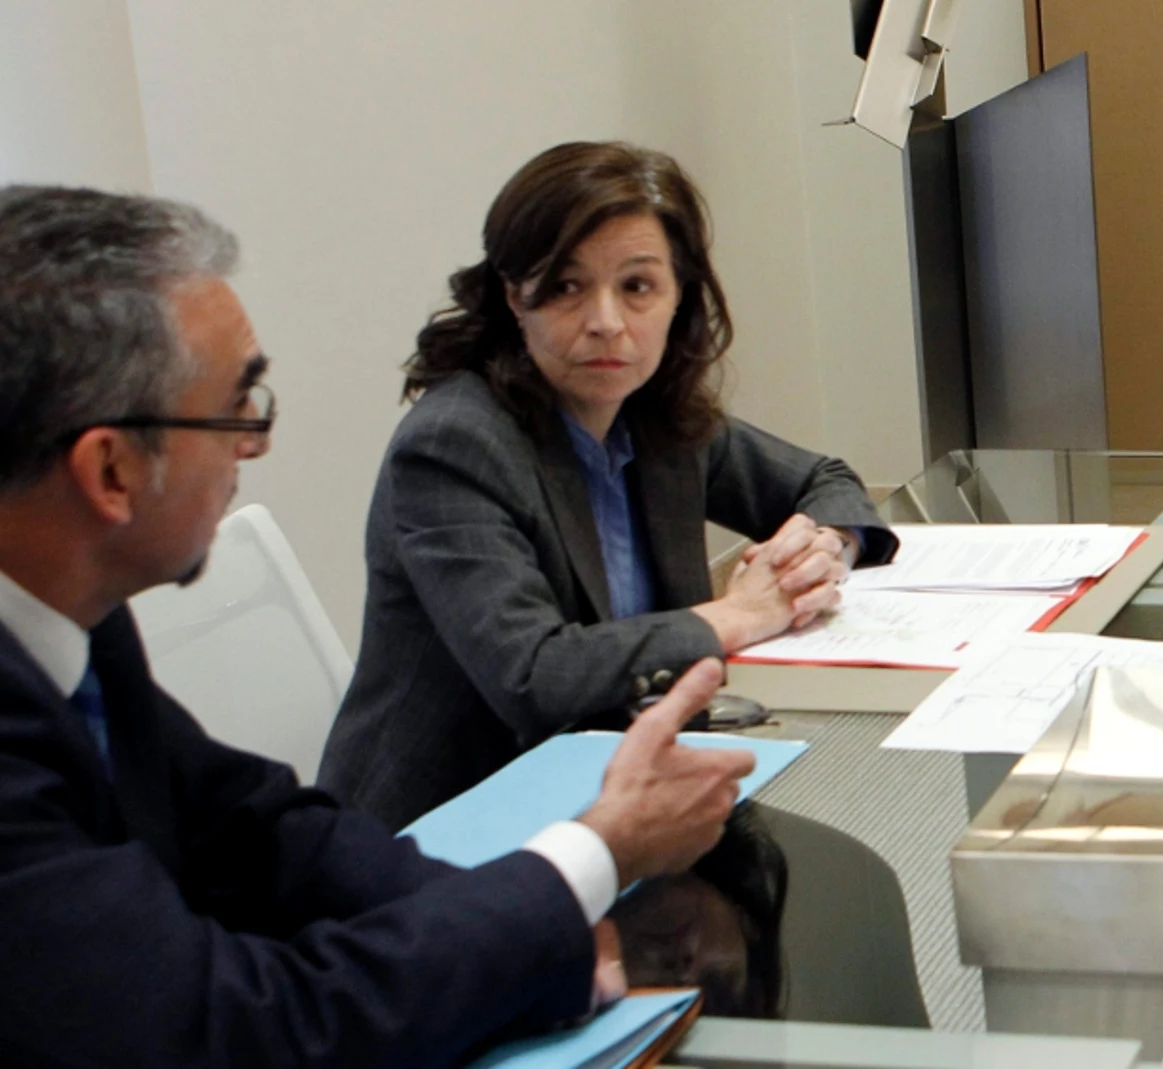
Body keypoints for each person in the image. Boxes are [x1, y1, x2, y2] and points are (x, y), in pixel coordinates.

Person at [0, 184, 757, 1067]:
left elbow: (262, 833)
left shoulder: (69, 619)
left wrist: (533, 922)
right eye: (239, 406)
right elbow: (241, 1031)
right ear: (112, 472)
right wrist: (593, 854)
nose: (257, 445)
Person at [318, 141, 896, 830]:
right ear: (514, 296)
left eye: (637, 286)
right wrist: (740, 614)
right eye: (566, 286)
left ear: (677, 296)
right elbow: (537, 676)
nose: (606, 321)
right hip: (449, 833)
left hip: (619, 793)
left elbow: (822, 479)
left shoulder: (656, 415)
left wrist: (821, 549)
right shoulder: (454, 447)